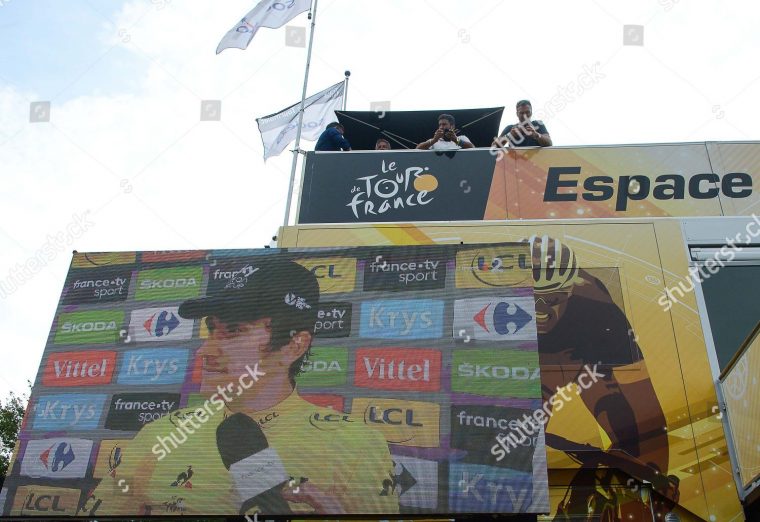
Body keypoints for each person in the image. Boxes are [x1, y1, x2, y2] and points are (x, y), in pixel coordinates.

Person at [86, 260, 398, 517]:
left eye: (233, 331)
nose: (204, 352)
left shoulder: (356, 444)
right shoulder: (160, 435)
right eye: (212, 330)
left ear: (294, 345)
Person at [527, 235, 678, 520]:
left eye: (551, 299)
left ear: (570, 290)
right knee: (514, 447)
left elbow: (646, 412)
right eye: (530, 299)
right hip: (531, 361)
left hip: (587, 358)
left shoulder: (600, 309)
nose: (539, 311)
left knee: (638, 442)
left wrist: (654, 478)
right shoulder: (488, 302)